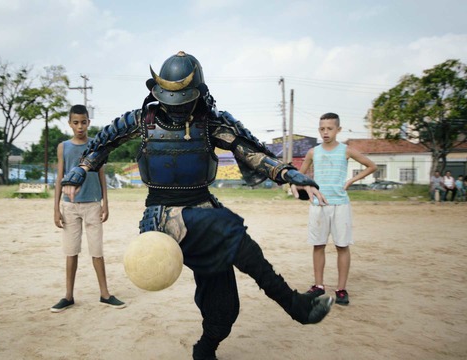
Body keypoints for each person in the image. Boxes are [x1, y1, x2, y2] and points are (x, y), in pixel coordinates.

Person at [61, 51, 333, 360]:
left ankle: (205, 349)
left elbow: (251, 152)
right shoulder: (141, 121)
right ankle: (295, 305)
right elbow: (101, 144)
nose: (175, 108)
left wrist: (290, 174)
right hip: (161, 217)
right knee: (231, 230)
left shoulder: (211, 122)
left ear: (198, 94)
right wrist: (78, 172)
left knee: (224, 308)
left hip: (203, 209)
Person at [51, 104, 126, 313]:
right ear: (70, 124)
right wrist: (56, 209)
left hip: (93, 204)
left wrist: (105, 203)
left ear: (88, 123)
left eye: (83, 122)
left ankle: (105, 294)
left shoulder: (96, 145)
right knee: (71, 252)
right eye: (76, 122)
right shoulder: (63, 147)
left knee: (97, 251)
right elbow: (60, 178)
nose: (80, 126)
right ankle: (68, 296)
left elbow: (101, 174)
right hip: (70, 206)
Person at [298, 113, 377, 306]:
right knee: (318, 245)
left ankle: (341, 289)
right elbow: (298, 176)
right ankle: (318, 286)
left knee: (342, 246)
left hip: (340, 205)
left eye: (329, 128)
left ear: (338, 130)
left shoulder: (346, 151)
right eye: (322, 129)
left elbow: (371, 166)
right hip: (319, 206)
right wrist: (308, 188)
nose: (325, 132)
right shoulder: (313, 152)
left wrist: (351, 180)